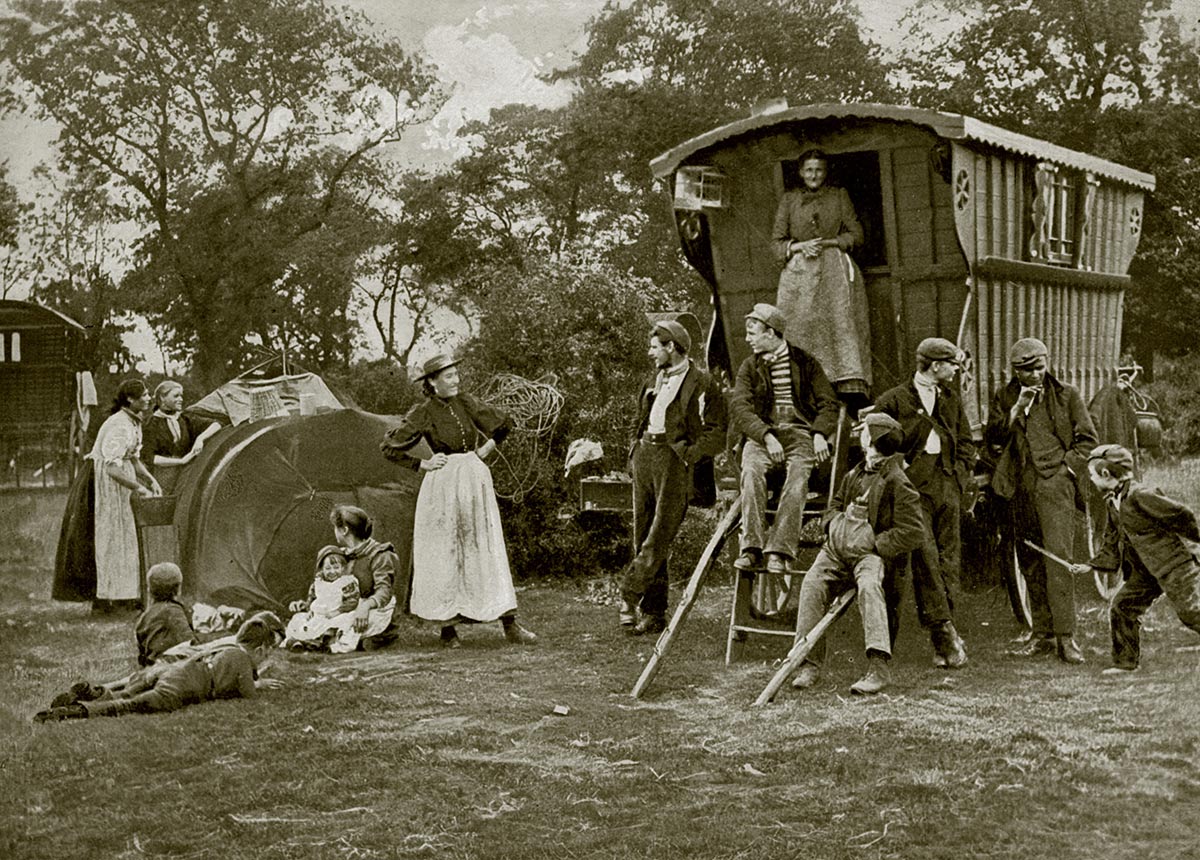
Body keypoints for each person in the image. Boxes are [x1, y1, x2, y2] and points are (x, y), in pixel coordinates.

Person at [381, 355, 536, 648]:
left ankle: (509, 623)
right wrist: (421, 464)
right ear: (432, 382)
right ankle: (448, 630)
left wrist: (488, 447)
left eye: (455, 374)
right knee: (446, 550)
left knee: (485, 545)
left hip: (474, 478)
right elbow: (389, 446)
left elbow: (503, 423)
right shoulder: (423, 411)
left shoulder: (465, 402)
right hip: (443, 482)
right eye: (448, 376)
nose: (455, 380)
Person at [788, 413, 925, 695]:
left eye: (866, 434)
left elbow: (913, 531)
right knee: (811, 583)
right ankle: (808, 663)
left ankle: (878, 668)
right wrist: (834, 525)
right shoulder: (855, 473)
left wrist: (874, 543)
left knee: (870, 587)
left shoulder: (898, 481)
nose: (862, 437)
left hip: (868, 556)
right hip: (836, 551)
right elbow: (834, 506)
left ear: (874, 442)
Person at [983, 337, 1097, 664]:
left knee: (1059, 560)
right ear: (1015, 371)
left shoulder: (1066, 395)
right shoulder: (1005, 397)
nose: (1035, 375)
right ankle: (1043, 635)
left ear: (1047, 364)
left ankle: (1066, 637)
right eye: (1027, 370)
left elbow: (1088, 440)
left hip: (1056, 486)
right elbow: (993, 439)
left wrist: (1066, 471)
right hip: (1020, 487)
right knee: (1030, 559)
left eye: (1040, 368)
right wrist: (1016, 409)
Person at [620, 321, 726, 635]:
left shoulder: (702, 382)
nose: (650, 352)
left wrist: (689, 455)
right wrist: (634, 449)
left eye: (655, 347)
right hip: (645, 457)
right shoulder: (654, 377)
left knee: (659, 535)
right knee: (643, 535)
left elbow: (718, 432)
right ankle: (653, 615)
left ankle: (628, 594)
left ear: (672, 348)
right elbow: (639, 418)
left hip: (674, 461)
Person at [875, 337, 974, 669]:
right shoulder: (893, 400)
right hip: (911, 492)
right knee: (927, 556)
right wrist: (899, 469)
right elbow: (874, 442)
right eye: (952, 365)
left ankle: (944, 636)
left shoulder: (950, 399)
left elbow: (965, 442)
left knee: (948, 560)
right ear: (935, 366)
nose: (956, 370)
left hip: (946, 487)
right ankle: (943, 634)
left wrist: (959, 476)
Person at [728, 303, 841, 575]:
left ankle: (779, 551)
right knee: (751, 472)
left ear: (771, 332)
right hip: (762, 437)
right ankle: (752, 549)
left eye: (752, 332)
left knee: (799, 478)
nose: (747, 339)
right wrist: (766, 436)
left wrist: (818, 435)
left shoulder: (805, 363)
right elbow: (740, 407)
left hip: (800, 436)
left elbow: (828, 403)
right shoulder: (749, 367)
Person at [1068, 445, 1200, 674]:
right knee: (1123, 607)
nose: (1090, 479)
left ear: (1106, 475)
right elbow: (1111, 540)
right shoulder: (1112, 502)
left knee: (1191, 611)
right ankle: (1126, 663)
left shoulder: (1142, 495)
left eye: (1092, 475)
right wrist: (1090, 565)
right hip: (1145, 572)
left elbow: (1181, 515)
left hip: (1173, 565)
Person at [34, 612, 284, 722]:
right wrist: (257, 684)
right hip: (186, 684)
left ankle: (93, 693)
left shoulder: (226, 647)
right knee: (133, 705)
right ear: (260, 650)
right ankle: (75, 712)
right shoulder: (242, 659)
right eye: (267, 654)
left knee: (129, 691)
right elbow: (248, 693)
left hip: (175, 668)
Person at [771, 148, 871, 403]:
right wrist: (800, 247)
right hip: (799, 275)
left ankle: (846, 390)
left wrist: (831, 242)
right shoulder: (790, 200)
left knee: (839, 323)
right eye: (809, 170)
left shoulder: (839, 196)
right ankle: (802, 388)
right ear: (801, 172)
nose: (814, 175)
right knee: (800, 326)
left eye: (818, 170)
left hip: (833, 270)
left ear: (825, 172)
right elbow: (776, 244)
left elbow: (856, 234)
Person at [89, 378, 161, 612]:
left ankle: (128, 594)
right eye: (145, 395)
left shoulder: (133, 422)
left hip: (122, 480)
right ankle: (109, 597)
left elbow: (133, 458)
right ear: (130, 399)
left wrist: (150, 479)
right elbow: (111, 468)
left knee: (127, 536)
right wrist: (138, 487)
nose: (149, 398)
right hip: (109, 486)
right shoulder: (119, 424)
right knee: (113, 536)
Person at [327, 505, 401, 650]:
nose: (335, 532)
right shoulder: (342, 555)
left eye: (336, 527)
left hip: (374, 611)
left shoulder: (380, 555)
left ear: (344, 530)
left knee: (352, 633)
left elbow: (384, 591)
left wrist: (365, 606)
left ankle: (383, 637)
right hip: (349, 608)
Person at [283, 545, 366, 653]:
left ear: (343, 567)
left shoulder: (347, 582)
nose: (332, 572)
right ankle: (297, 641)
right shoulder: (318, 583)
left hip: (339, 613)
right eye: (328, 568)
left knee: (349, 622)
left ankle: (330, 646)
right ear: (322, 568)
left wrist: (336, 612)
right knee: (298, 619)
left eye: (336, 568)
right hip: (319, 615)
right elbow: (312, 599)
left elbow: (352, 601)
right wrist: (309, 609)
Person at [142, 381, 221, 480]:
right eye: (176, 396)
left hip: (186, 473)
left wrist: (200, 439)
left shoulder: (184, 418)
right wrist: (181, 461)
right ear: (162, 398)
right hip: (162, 476)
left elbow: (216, 424)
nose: (181, 399)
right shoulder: (150, 424)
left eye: (181, 396)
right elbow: (150, 458)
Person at [135, 562, 195, 666]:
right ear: (178, 590)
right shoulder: (173, 611)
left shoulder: (145, 616)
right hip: (171, 668)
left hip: (151, 666)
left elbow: (141, 652)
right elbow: (189, 643)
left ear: (150, 590)